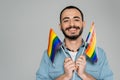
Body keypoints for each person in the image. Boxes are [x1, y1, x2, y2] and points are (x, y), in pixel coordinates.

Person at [36, 5, 113, 80]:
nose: (72, 24)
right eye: (66, 20)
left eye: (76, 20)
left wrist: (84, 75)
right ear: (60, 26)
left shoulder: (99, 53)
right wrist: (65, 77)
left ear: (83, 24)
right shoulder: (49, 54)